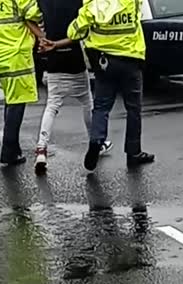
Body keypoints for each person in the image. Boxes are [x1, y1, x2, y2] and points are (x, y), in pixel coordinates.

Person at [66, 0, 155, 170]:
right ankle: (134, 152)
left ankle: (96, 141)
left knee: (101, 107)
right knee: (133, 109)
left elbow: (73, 32)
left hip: (104, 63)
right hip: (131, 60)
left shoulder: (93, 6)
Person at [33, 0, 113, 174]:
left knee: (52, 105)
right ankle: (97, 142)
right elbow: (82, 31)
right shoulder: (78, 1)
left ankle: (41, 148)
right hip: (73, 56)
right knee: (87, 102)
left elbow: (28, 18)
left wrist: (42, 38)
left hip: (53, 57)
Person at [0, 0, 45, 166]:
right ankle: (9, 151)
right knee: (17, 103)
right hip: (15, 56)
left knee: (11, 100)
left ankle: (13, 148)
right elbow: (36, 13)